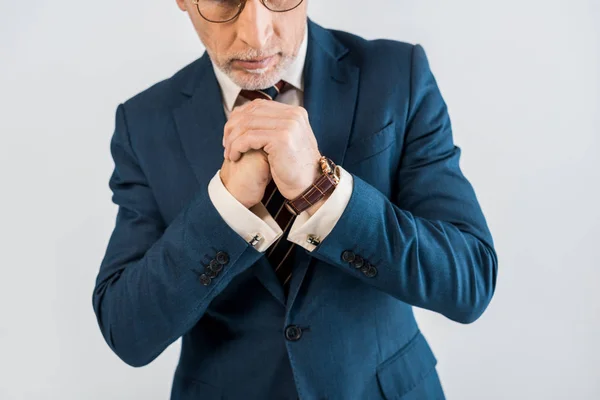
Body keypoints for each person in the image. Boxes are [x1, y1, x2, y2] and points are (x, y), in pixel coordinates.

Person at [92, 0, 498, 398]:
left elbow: (469, 280)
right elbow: (128, 332)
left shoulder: (397, 75)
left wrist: (321, 192)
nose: (256, 33)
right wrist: (227, 207)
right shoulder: (143, 123)